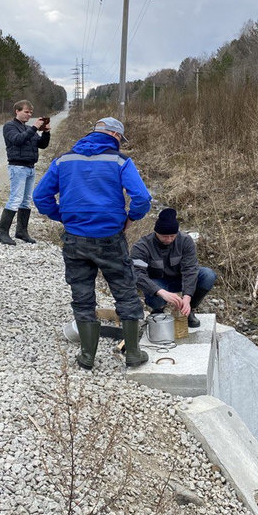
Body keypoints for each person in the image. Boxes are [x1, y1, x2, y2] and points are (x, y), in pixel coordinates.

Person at [33, 117, 152, 369]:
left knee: (82, 295)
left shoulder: (63, 160)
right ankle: (133, 354)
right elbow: (141, 198)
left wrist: (63, 216)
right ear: (116, 136)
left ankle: (87, 356)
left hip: (75, 238)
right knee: (125, 292)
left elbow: (40, 196)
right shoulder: (120, 161)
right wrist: (130, 219)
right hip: (110, 237)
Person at [131, 208, 217, 329]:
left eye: (172, 236)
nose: (169, 239)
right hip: (157, 283)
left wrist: (187, 297)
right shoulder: (141, 246)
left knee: (208, 275)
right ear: (156, 232)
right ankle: (158, 310)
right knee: (156, 298)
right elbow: (136, 273)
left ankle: (188, 310)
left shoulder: (185, 240)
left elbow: (190, 269)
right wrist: (160, 292)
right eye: (164, 236)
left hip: (180, 280)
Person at [0, 99, 50, 245]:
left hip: (30, 167)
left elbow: (42, 145)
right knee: (15, 199)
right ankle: (2, 233)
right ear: (17, 111)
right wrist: (33, 128)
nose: (29, 114)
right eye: (26, 112)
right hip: (17, 167)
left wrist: (46, 132)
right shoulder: (9, 126)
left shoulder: (28, 129)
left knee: (26, 201)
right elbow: (17, 140)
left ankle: (21, 231)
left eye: (31, 112)